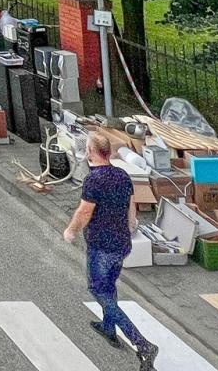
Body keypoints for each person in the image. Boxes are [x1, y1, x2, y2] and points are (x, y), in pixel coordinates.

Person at [65, 133, 159, 368]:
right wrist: (131, 224)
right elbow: (131, 204)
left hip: (102, 245)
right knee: (109, 286)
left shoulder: (94, 180)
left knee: (97, 290)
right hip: (122, 244)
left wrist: (71, 231)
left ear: (90, 152)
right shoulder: (122, 175)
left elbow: (85, 212)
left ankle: (143, 344)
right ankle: (108, 328)